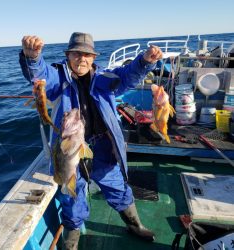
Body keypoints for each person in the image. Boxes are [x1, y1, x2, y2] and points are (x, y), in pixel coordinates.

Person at [19, 32, 162, 250]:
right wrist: (32, 58)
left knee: (119, 189)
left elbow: (127, 76)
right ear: (68, 55)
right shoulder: (58, 78)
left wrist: (144, 62)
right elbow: (39, 75)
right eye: (76, 54)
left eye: (87, 54)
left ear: (94, 58)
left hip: (103, 149)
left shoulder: (106, 78)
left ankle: (135, 225)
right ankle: (72, 242)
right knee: (71, 199)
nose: (82, 59)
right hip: (70, 150)